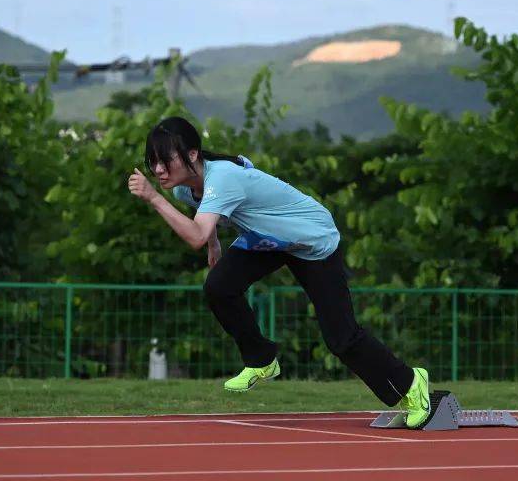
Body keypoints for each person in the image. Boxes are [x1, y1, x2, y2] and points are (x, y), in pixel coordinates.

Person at [127, 116, 431, 428]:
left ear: (192, 155)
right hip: (268, 240)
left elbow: (195, 234)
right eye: (153, 163)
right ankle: (261, 360)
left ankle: (410, 383)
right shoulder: (185, 188)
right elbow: (204, 220)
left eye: (165, 161)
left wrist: (153, 199)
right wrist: (214, 245)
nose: (159, 170)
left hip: (312, 240)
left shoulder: (224, 178)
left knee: (342, 339)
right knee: (219, 287)